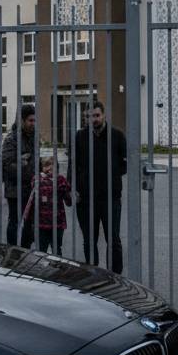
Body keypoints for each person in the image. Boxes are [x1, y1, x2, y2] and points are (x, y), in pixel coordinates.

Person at [73, 101, 127, 273]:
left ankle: (116, 276)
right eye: (89, 116)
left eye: (96, 115)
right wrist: (72, 187)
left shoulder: (117, 135)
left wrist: (111, 174)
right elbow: (73, 165)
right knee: (89, 240)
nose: (93, 119)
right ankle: (92, 274)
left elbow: (125, 163)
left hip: (110, 197)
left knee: (113, 240)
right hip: (86, 198)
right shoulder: (80, 137)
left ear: (103, 115)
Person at [2, 104, 37, 248]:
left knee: (29, 224)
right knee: (15, 222)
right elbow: (7, 166)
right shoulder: (12, 139)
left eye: (35, 120)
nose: (33, 124)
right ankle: (12, 251)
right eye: (30, 120)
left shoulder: (33, 137)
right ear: (22, 120)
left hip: (31, 189)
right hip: (15, 190)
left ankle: (25, 251)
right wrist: (24, 165)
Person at [23, 155, 72, 255]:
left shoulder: (60, 180)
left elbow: (68, 200)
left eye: (51, 165)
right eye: (46, 165)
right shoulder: (38, 180)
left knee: (56, 249)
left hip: (57, 224)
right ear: (42, 168)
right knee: (42, 250)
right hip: (42, 224)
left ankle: (57, 267)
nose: (49, 168)